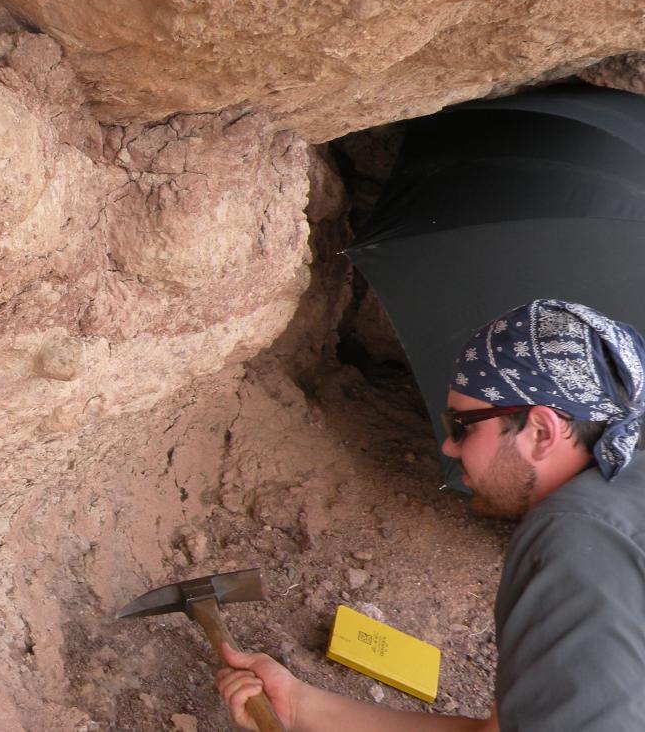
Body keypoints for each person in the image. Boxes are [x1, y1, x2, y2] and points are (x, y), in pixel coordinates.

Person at [216, 299, 645, 731]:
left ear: (540, 431)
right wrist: (297, 705)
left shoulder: (572, 542)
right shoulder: (627, 485)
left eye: (464, 426)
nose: (449, 447)